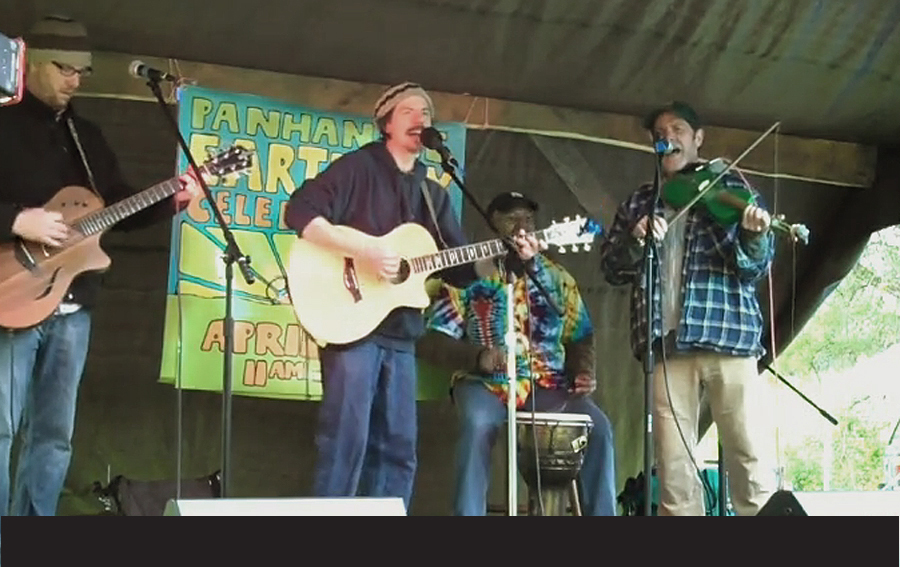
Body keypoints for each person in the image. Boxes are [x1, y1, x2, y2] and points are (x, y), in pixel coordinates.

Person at [284, 83, 538, 512]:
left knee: (399, 450)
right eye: (409, 111)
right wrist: (365, 250)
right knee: (347, 442)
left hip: (401, 336)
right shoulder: (358, 169)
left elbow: (458, 269)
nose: (420, 118)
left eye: (426, 112)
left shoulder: (432, 193)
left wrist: (510, 258)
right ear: (386, 122)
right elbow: (300, 211)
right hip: (352, 331)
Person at [0, 15, 202, 519]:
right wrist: (17, 220)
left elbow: (117, 208)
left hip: (74, 305)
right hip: (13, 293)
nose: (74, 80)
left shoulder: (86, 136)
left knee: (55, 434)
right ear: (34, 64)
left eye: (81, 73)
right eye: (65, 68)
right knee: (2, 426)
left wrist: (174, 200)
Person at [599, 100, 775, 516]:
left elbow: (755, 268)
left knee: (748, 455)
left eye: (677, 129)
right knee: (674, 468)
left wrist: (753, 236)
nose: (667, 137)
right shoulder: (640, 201)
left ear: (698, 139)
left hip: (727, 337)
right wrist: (634, 240)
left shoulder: (734, 191)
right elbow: (612, 268)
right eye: (659, 134)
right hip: (665, 342)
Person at [418, 191, 617, 516]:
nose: (522, 226)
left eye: (528, 219)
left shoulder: (556, 277)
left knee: (598, 428)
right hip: (486, 384)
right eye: (512, 218)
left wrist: (583, 371)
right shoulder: (466, 279)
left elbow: (581, 334)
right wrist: (479, 357)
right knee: (477, 424)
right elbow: (431, 341)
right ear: (492, 224)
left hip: (548, 385)